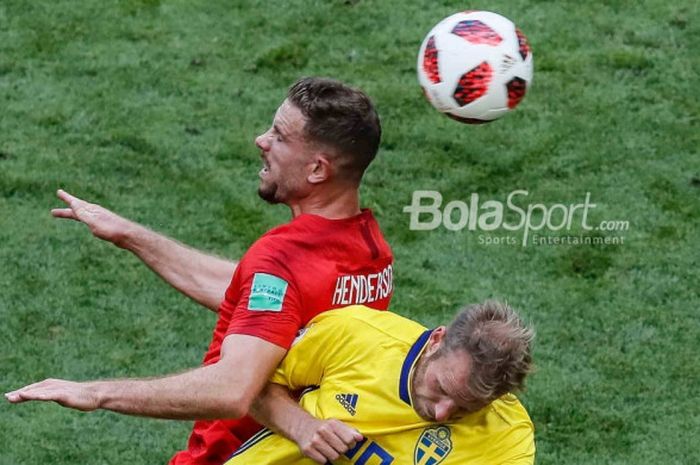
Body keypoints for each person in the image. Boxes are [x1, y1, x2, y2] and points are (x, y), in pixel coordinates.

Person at [5, 77, 394, 465]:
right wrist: (130, 235)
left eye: (279, 136)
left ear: (316, 170)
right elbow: (265, 298)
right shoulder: (371, 251)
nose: (261, 140)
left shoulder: (282, 257)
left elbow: (233, 389)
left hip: (231, 456)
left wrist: (96, 393)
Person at [225, 300, 535, 465]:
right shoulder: (358, 334)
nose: (442, 414)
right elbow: (245, 383)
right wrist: (300, 425)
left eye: (466, 407)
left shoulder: (508, 438)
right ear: (437, 340)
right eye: (441, 388)